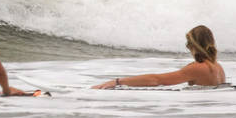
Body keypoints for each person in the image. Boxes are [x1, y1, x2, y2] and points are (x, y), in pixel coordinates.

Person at [91, 25, 226, 89]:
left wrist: (117, 82)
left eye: (188, 43)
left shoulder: (198, 68)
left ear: (194, 45)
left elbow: (156, 80)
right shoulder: (218, 67)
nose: (187, 46)